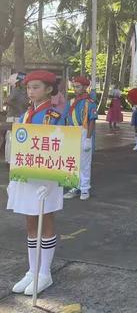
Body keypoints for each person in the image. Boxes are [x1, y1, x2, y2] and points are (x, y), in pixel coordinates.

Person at [7, 70, 63, 295]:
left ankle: (44, 273)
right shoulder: (27, 114)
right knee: (30, 221)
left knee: (45, 219)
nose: (31, 92)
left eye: (36, 87)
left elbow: (63, 146)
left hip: (45, 176)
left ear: (49, 89)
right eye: (29, 88)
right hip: (27, 173)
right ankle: (33, 270)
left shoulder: (54, 116)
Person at [63, 76, 97, 201]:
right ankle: (75, 186)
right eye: (74, 86)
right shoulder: (71, 102)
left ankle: (85, 188)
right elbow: (65, 118)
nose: (75, 89)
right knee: (73, 161)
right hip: (72, 132)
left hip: (84, 131)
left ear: (85, 87)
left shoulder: (90, 102)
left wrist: (88, 139)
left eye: (78, 86)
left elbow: (92, 121)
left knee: (84, 163)